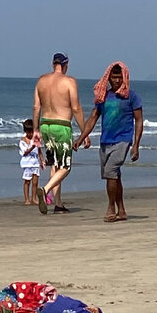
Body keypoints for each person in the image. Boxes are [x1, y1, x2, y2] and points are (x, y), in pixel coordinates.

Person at [73, 62, 144, 223]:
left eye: (120, 77)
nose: (117, 80)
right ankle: (122, 210)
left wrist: (136, 145)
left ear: (125, 77)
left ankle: (111, 208)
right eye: (114, 77)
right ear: (109, 78)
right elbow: (92, 119)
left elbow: (139, 121)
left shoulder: (132, 97)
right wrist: (80, 138)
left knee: (111, 172)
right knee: (114, 176)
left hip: (123, 140)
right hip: (106, 141)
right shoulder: (103, 96)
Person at [32, 52, 89, 215]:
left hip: (45, 125)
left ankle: (58, 204)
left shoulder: (41, 81)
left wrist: (36, 129)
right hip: (61, 125)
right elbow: (76, 108)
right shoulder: (69, 81)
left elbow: (36, 107)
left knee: (55, 164)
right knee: (66, 166)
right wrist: (85, 131)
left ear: (52, 64)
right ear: (66, 65)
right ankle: (46, 188)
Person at [19, 118, 43, 206]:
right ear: (25, 131)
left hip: (35, 162)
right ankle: (26, 199)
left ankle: (34, 198)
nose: (31, 134)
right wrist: (32, 147)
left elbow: (39, 150)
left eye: (32, 132)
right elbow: (25, 152)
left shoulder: (35, 139)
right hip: (27, 163)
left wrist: (42, 160)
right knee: (27, 181)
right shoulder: (23, 141)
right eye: (29, 132)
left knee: (35, 182)